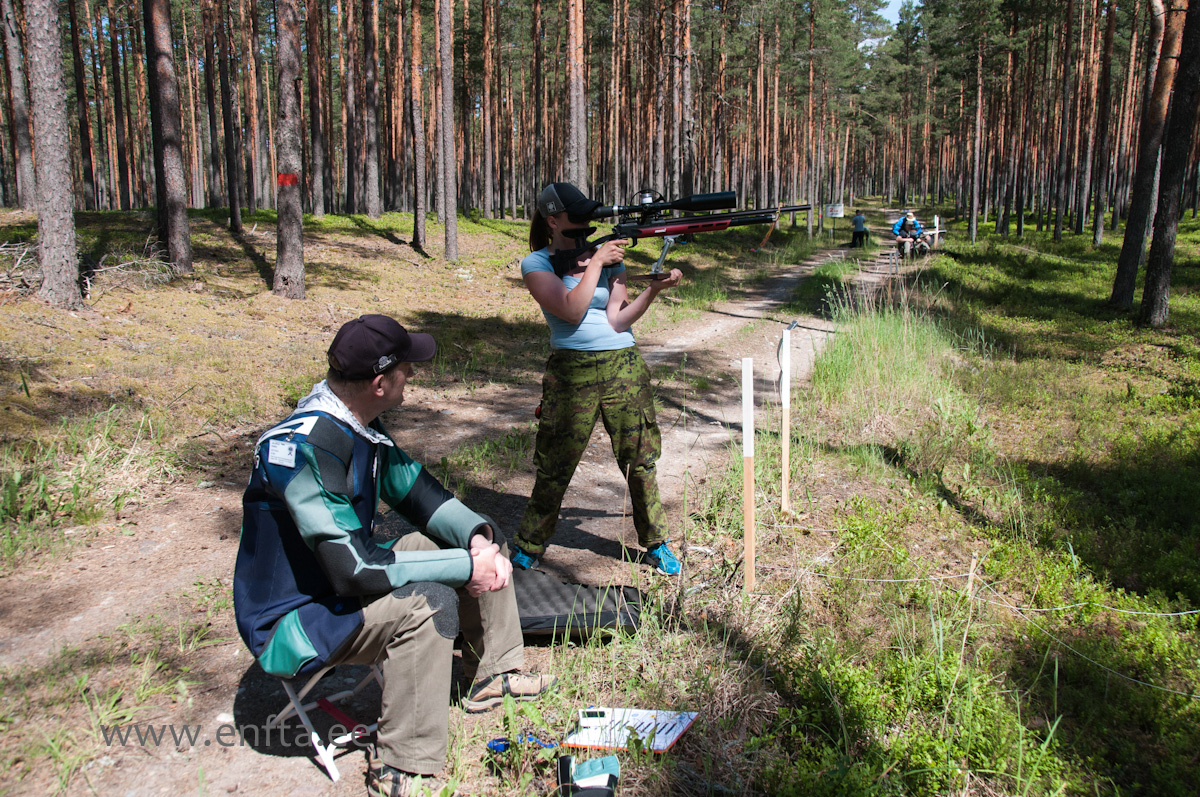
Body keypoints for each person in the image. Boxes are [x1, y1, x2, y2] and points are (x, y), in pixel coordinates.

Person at [233, 314, 554, 797]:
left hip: (339, 591)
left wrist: (477, 540)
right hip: (294, 623)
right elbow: (353, 569)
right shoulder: (304, 449)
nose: (413, 377)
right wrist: (467, 570)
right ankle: (402, 763)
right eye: (407, 369)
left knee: (478, 538)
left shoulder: (358, 424)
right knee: (429, 602)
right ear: (380, 382)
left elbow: (418, 493)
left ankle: (492, 675)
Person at [510, 182, 684, 576]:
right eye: (578, 215)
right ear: (553, 220)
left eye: (591, 214)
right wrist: (596, 263)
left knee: (640, 460)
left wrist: (653, 291)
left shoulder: (608, 257)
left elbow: (617, 319)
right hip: (571, 370)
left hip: (623, 363)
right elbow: (571, 311)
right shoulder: (536, 263)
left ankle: (657, 544)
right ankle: (529, 545)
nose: (588, 222)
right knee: (555, 463)